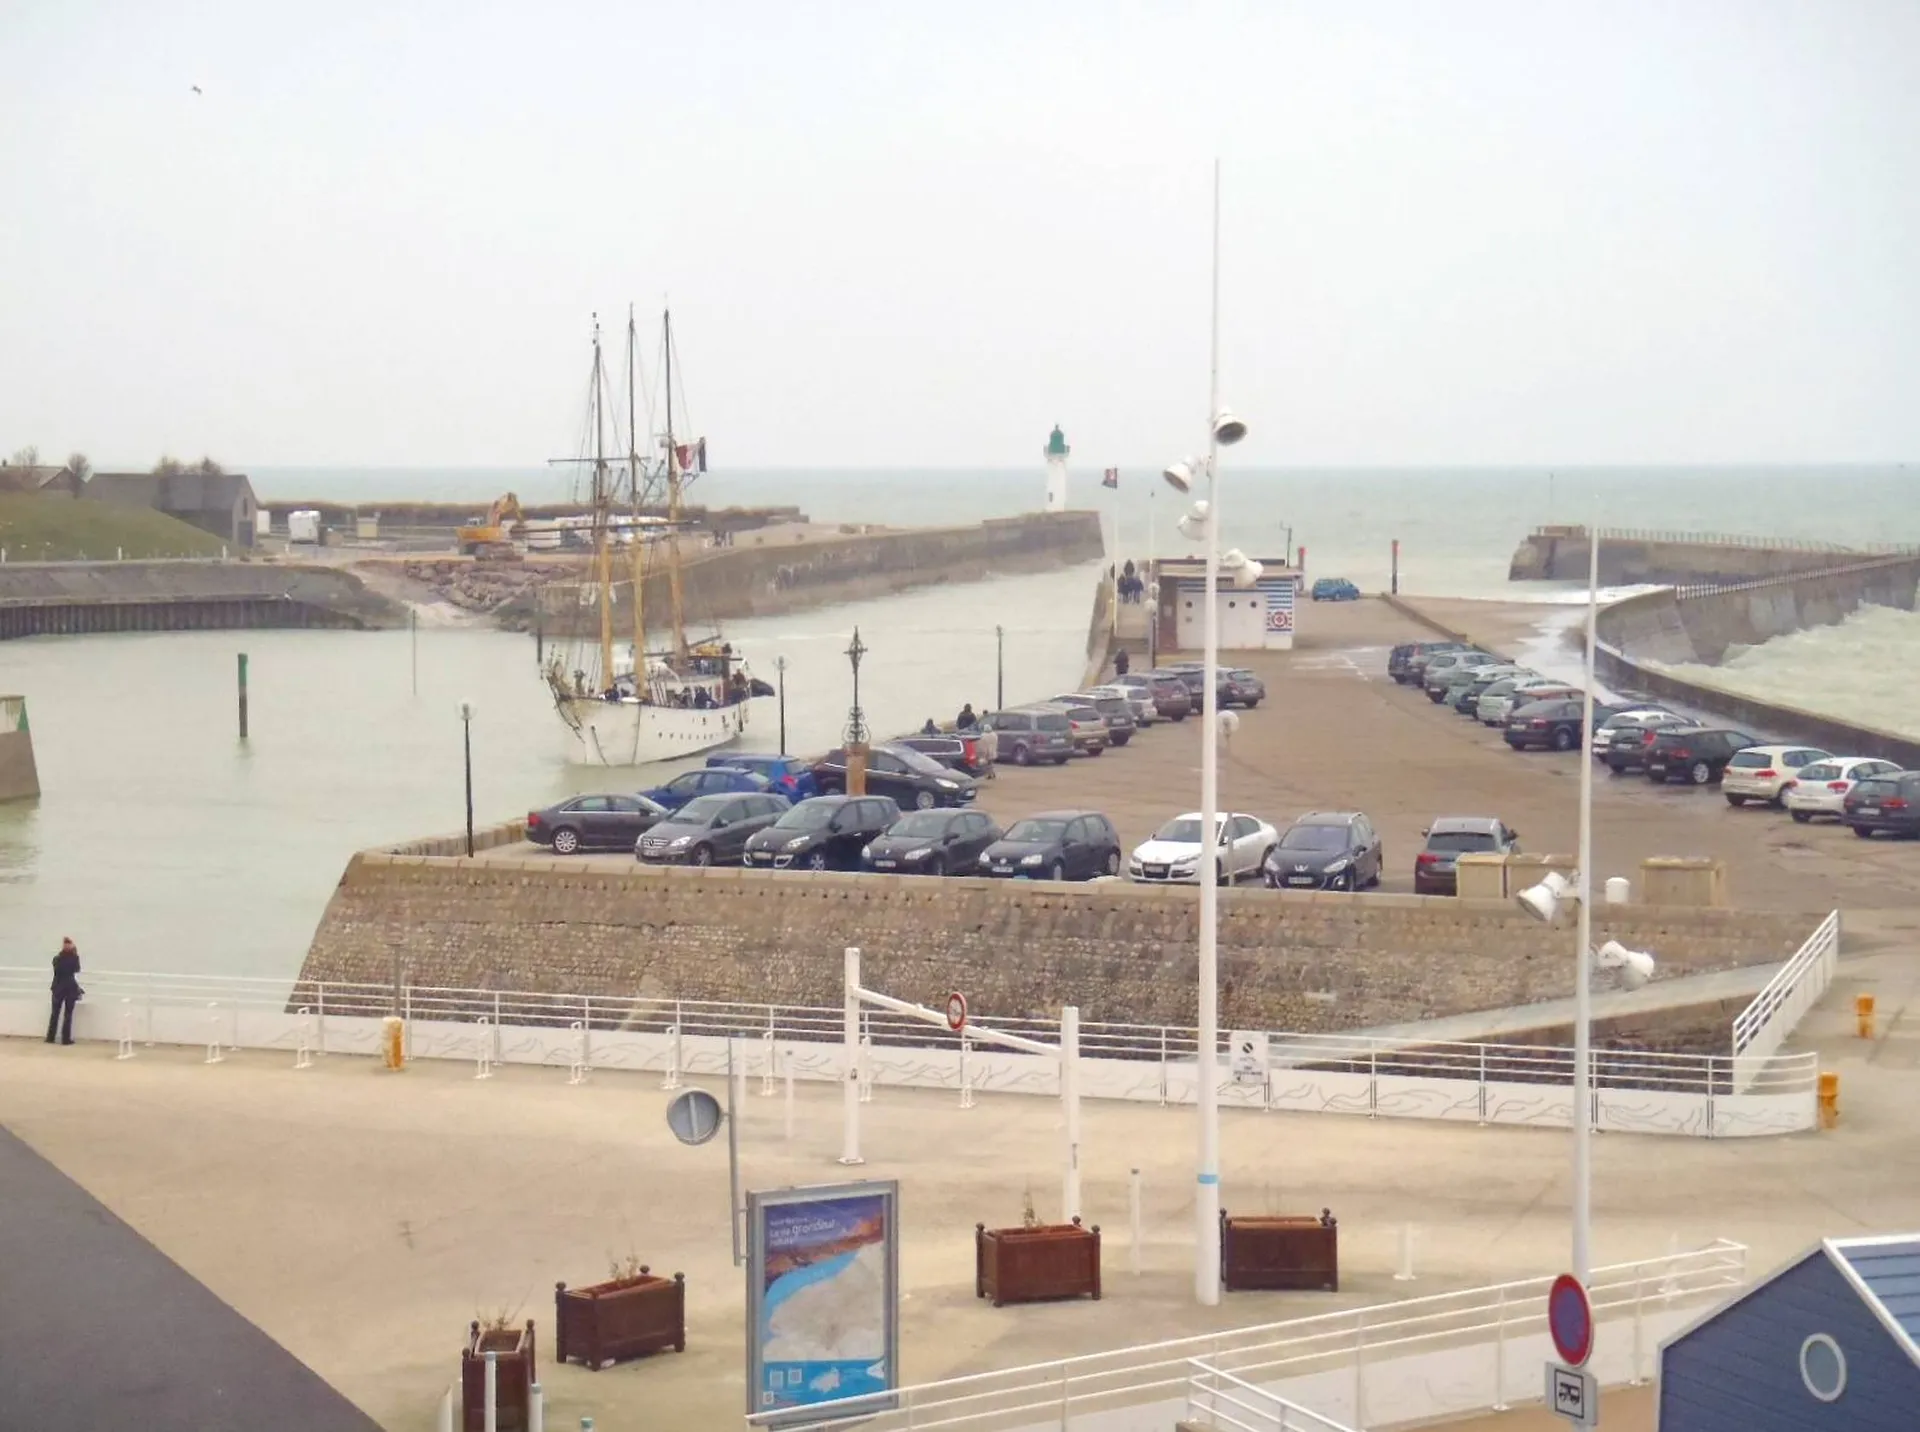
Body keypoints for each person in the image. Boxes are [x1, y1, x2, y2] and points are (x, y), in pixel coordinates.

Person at [47, 937, 80, 1045]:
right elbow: (76, 969)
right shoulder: (73, 958)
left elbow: (58, 970)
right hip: (69, 988)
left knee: (55, 1013)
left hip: (57, 987)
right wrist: (74, 953)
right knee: (67, 1014)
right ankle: (65, 1038)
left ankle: (50, 1037)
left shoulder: (57, 959)